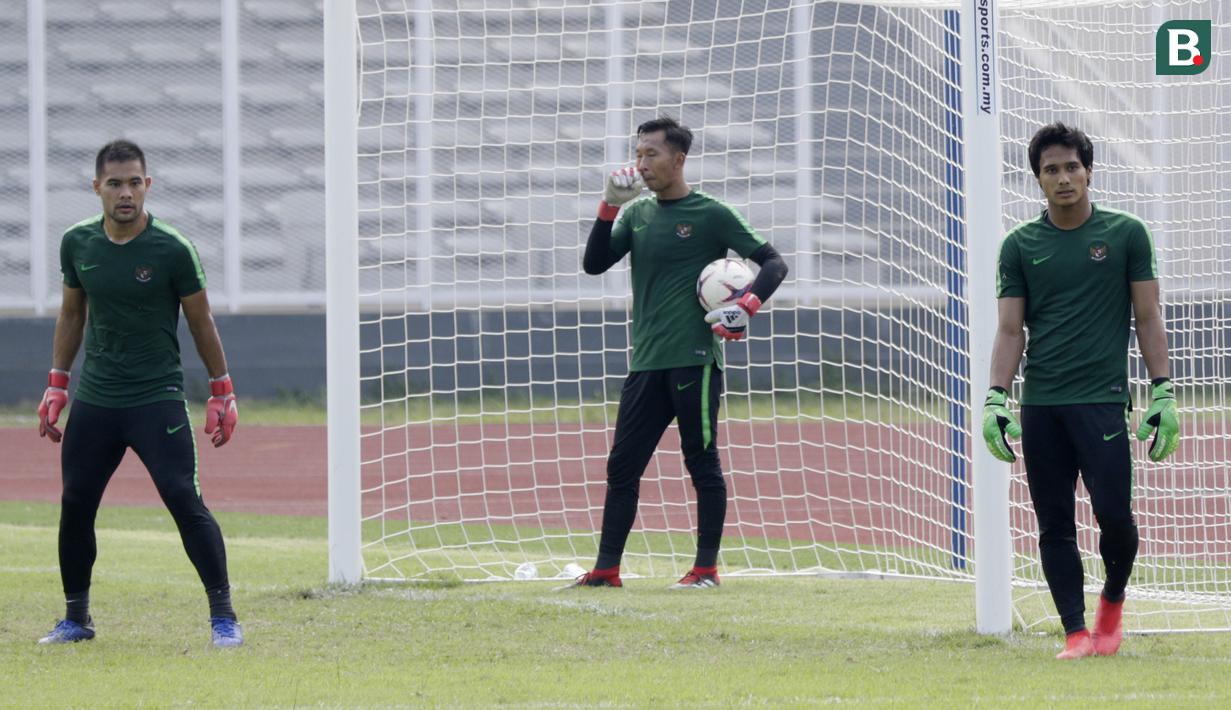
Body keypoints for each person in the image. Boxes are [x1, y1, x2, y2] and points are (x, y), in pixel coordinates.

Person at [982, 122, 1179, 659]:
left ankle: (1111, 606)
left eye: (1072, 166)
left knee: (1115, 516)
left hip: (1103, 402)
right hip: (1042, 406)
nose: (1063, 177)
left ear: (1089, 170)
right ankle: (1074, 633)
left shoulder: (1126, 234)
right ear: (1038, 180)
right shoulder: (1019, 246)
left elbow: (1147, 315)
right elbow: (1009, 330)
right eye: (1051, 170)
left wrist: (1162, 390)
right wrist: (995, 398)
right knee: (1054, 525)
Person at [36, 140, 243, 647]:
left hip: (157, 397)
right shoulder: (77, 243)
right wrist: (57, 383)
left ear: (147, 185)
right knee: (76, 502)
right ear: (97, 188)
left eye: (134, 182)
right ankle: (76, 620)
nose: (125, 193)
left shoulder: (172, 248)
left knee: (182, 497)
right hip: (97, 398)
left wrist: (222, 391)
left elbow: (201, 320)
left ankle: (224, 619)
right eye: (115, 183)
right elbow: (71, 314)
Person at [569, 116, 788, 589]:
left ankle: (705, 570)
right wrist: (609, 205)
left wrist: (746, 306)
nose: (641, 163)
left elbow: (774, 262)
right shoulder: (636, 214)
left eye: (652, 154)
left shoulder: (711, 213)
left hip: (695, 359)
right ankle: (607, 571)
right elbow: (592, 265)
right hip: (646, 362)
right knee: (621, 468)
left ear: (679, 159)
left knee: (701, 463)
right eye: (638, 153)